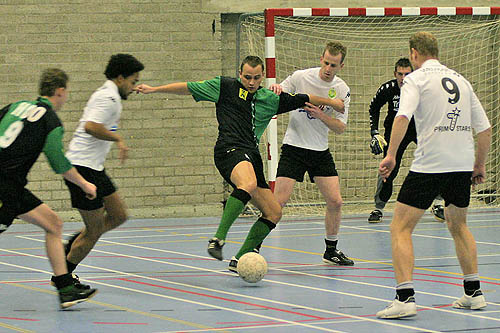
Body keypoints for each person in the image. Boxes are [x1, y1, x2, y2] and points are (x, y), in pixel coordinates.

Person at [134, 55, 345, 271]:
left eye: (256, 78)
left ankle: (240, 258)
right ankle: (218, 239)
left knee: (274, 212)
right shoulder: (224, 86)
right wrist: (154, 89)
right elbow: (188, 87)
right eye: (247, 77)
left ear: (262, 77)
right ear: (239, 74)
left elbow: (305, 97)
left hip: (252, 156)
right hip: (229, 149)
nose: (251, 82)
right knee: (247, 183)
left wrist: (332, 102)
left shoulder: (271, 99)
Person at [376, 32, 491, 319]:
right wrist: (479, 165)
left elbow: (402, 117)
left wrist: (390, 155)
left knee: (400, 228)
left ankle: (405, 297)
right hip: (461, 163)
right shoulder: (461, 80)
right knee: (458, 225)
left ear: (414, 53)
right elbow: (485, 128)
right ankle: (473, 292)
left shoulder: (416, 79)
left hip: (431, 164)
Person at [0, 68, 98, 309]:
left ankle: (65, 288)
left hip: (12, 187)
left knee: (53, 223)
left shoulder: (15, 106)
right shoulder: (50, 120)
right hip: (5, 187)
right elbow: (58, 162)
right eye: (66, 93)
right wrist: (85, 184)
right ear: (60, 91)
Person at [61, 54, 144, 284]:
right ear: (120, 78)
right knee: (94, 231)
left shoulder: (112, 96)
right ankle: (64, 275)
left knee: (119, 215)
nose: (133, 86)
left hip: (94, 168)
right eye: (132, 81)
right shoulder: (107, 97)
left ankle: (77, 241)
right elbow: (90, 127)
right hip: (81, 168)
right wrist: (117, 139)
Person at [269, 42, 353, 266]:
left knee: (335, 201)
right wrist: (277, 87)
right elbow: (280, 90)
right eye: (326, 63)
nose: (328, 68)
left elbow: (340, 128)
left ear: (341, 66)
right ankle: (253, 246)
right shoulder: (301, 77)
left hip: (319, 151)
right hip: (294, 148)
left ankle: (331, 250)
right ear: (320, 59)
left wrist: (321, 115)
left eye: (333, 65)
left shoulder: (342, 90)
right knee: (278, 203)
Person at [368, 58, 445, 223]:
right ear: (395, 74)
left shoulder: (423, 88)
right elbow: (373, 107)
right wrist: (374, 132)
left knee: (437, 160)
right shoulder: (388, 89)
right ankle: (378, 207)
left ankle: (438, 203)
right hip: (396, 131)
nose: (403, 78)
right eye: (400, 74)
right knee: (389, 168)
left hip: (419, 129)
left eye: (407, 74)